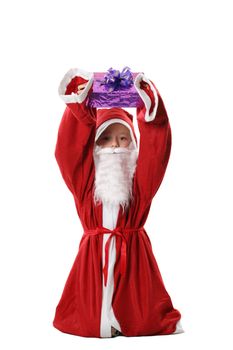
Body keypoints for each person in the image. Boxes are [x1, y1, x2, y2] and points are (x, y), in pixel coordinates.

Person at [53, 68, 184, 338]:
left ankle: (125, 319)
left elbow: (157, 152)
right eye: (107, 138)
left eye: (124, 139)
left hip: (134, 256)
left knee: (143, 318)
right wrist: (83, 104)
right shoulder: (86, 181)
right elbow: (68, 150)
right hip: (92, 258)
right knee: (86, 320)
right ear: (95, 146)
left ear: (133, 146)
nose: (115, 146)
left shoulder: (140, 183)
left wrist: (148, 105)